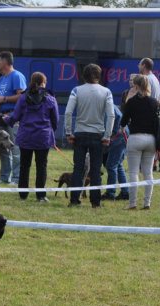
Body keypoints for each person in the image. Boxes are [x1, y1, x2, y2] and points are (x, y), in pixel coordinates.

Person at [64, 63, 114, 208]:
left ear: (83, 76)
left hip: (80, 134)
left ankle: (74, 200)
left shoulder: (76, 90)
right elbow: (111, 115)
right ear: (99, 76)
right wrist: (107, 135)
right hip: (98, 135)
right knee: (96, 170)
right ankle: (95, 202)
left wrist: (68, 132)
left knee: (78, 169)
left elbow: (68, 112)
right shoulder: (106, 92)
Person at [5, 71, 58, 202]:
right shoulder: (50, 98)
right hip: (43, 137)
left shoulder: (23, 98)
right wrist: (50, 131)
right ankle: (41, 196)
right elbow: (55, 120)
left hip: (26, 136)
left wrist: (6, 119)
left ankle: (23, 195)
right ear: (43, 83)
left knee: (24, 165)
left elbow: (15, 116)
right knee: (42, 166)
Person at [120, 75, 160, 210]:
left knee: (133, 173)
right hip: (151, 139)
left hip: (135, 138)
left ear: (135, 86)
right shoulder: (154, 102)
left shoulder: (131, 102)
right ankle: (147, 203)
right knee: (148, 172)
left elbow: (123, 121)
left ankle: (132, 203)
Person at [0, 51, 27, 184]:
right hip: (1, 117)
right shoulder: (0, 79)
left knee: (15, 148)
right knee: (3, 148)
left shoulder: (17, 76)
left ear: (5, 62)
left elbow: (22, 96)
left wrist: (6, 99)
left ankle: (16, 178)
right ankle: (4, 177)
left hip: (14, 117)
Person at [103, 102, 129, 201]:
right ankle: (125, 192)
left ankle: (110, 193)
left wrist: (108, 136)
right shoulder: (111, 105)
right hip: (122, 135)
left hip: (119, 136)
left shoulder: (107, 107)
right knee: (118, 165)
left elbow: (111, 122)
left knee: (111, 165)